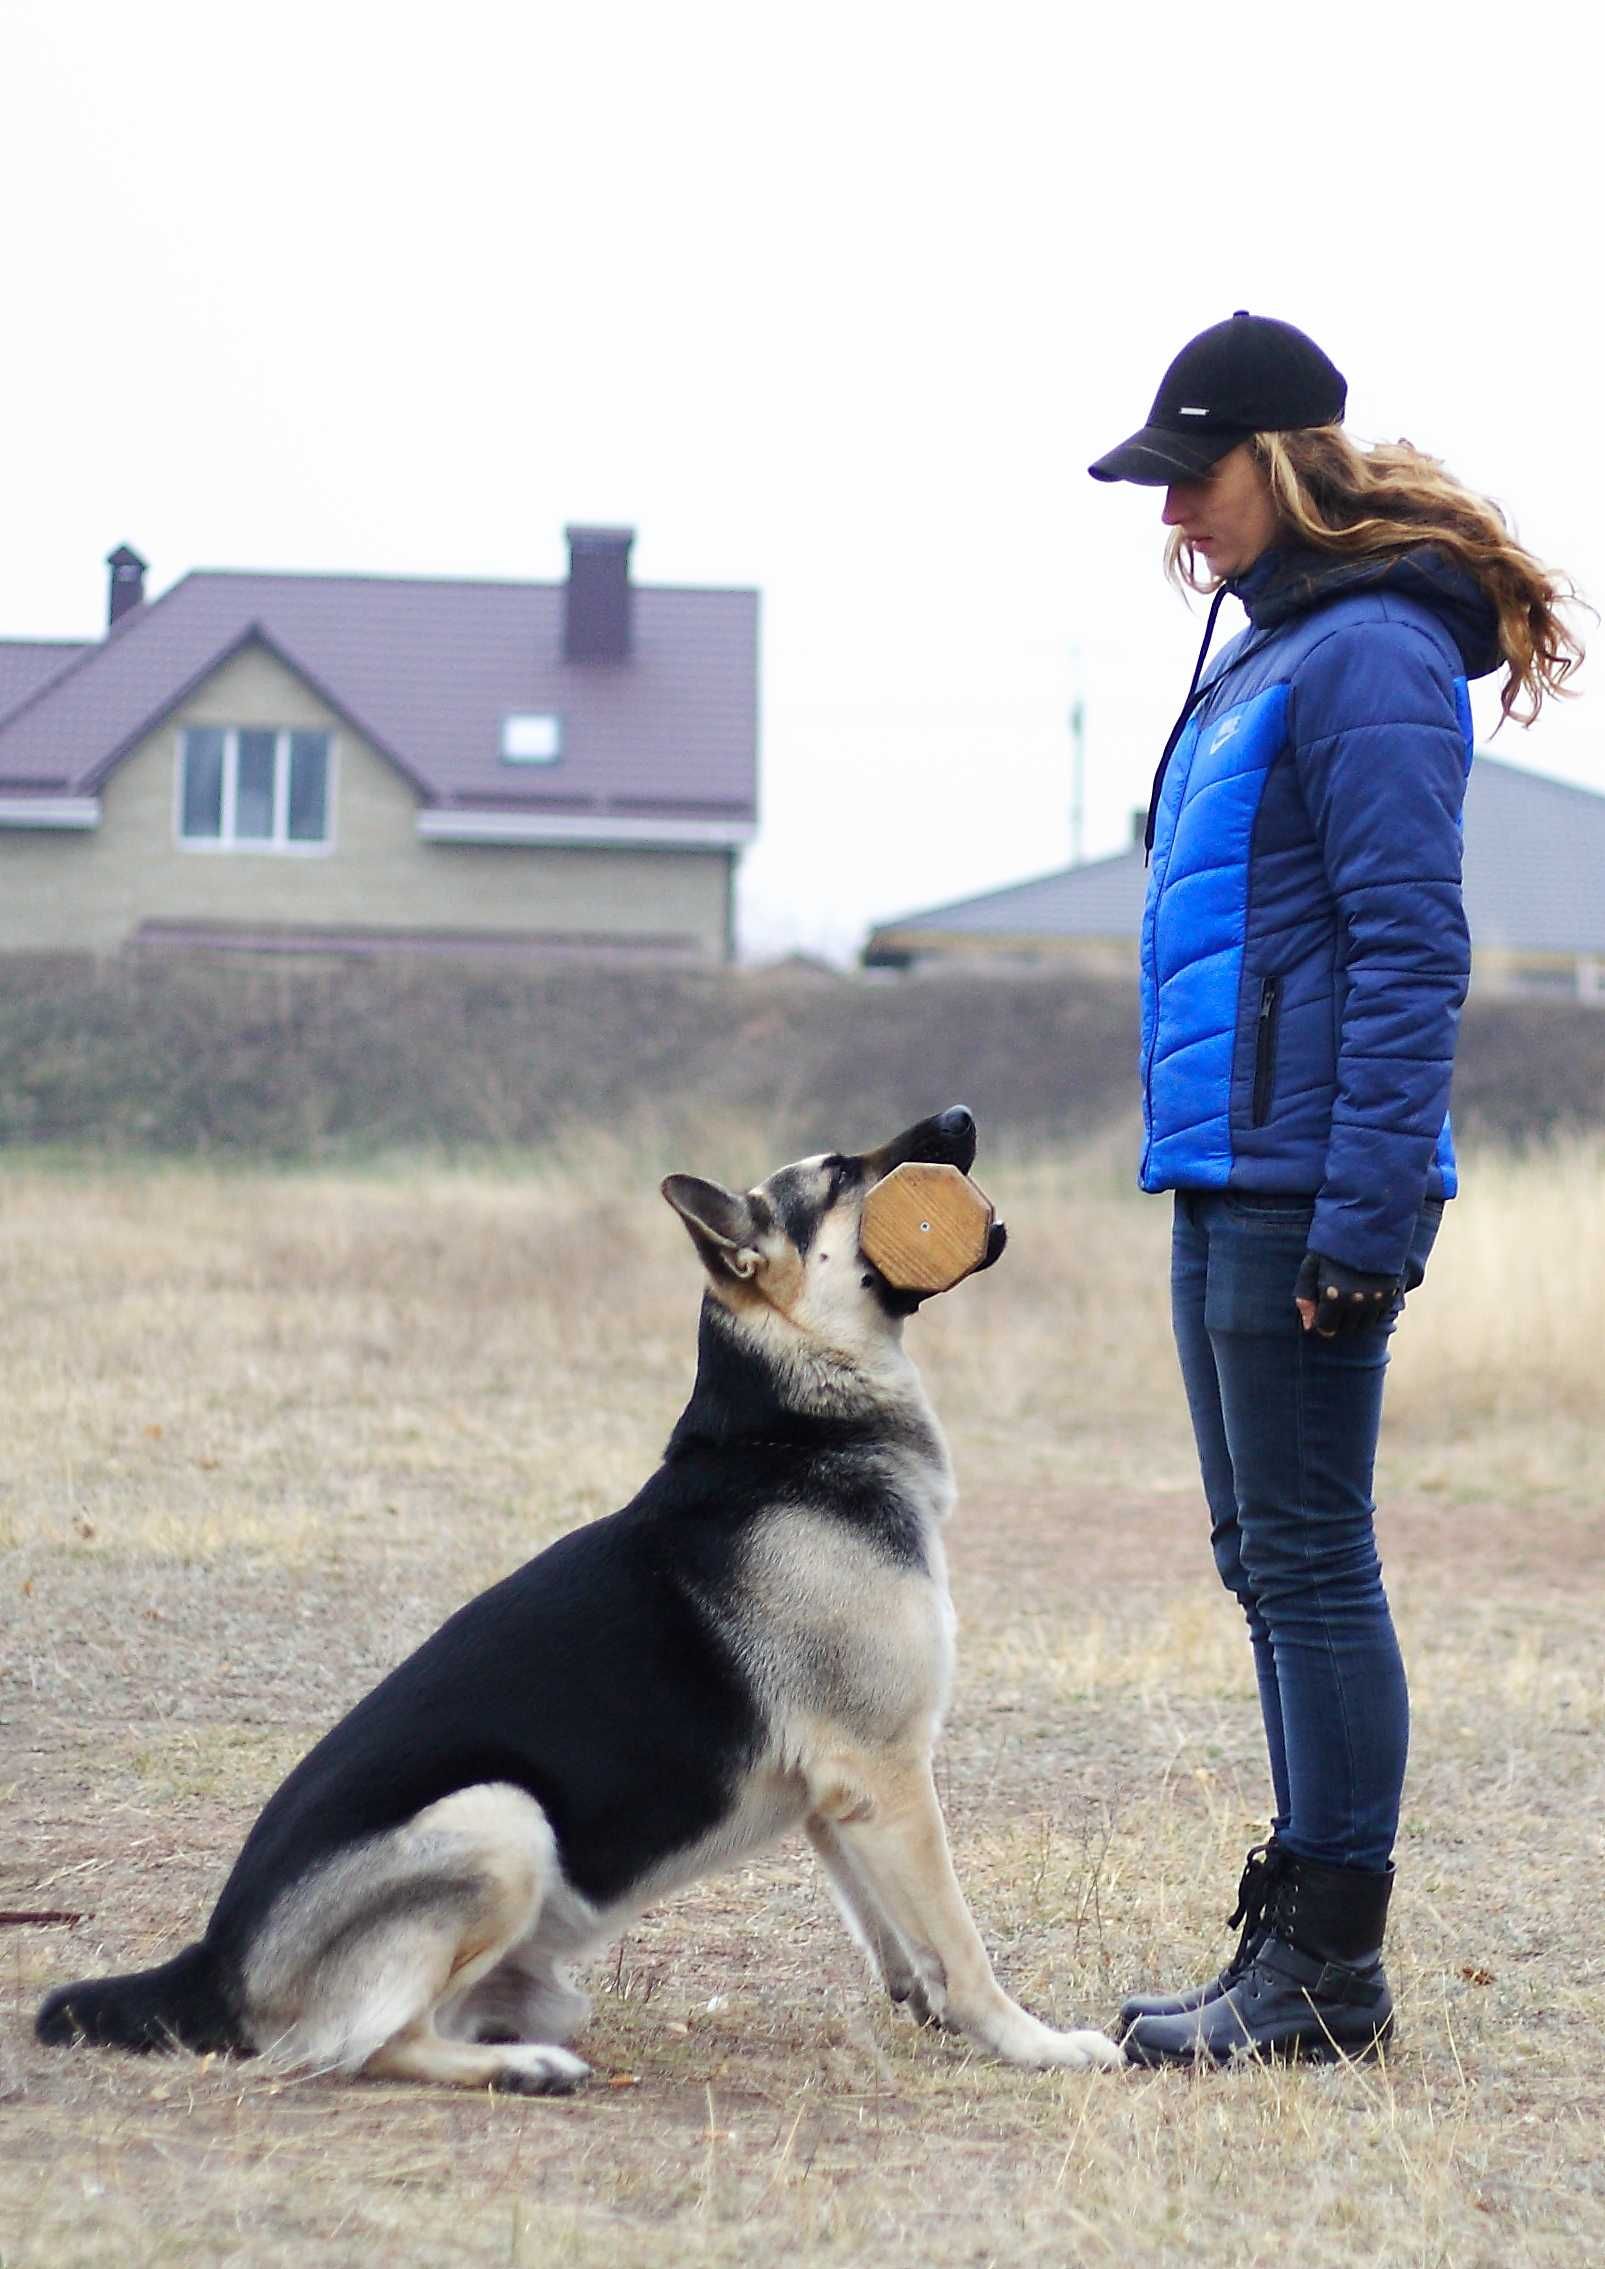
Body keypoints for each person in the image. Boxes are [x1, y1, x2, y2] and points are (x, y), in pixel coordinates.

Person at [1087, 311, 1584, 2067]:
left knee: (1308, 1563)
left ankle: (1327, 1970)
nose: (1172, 518)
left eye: (1190, 477)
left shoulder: (1364, 655)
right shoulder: (1266, 650)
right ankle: (1294, 1942)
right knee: (1263, 1555)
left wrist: (1367, 1217)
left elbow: (1405, 942)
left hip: (1309, 1177)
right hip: (1224, 1168)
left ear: (1283, 460)